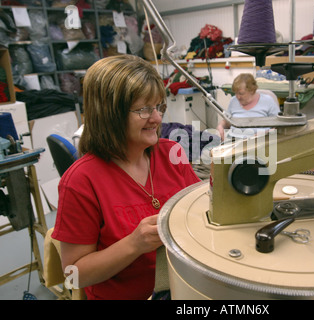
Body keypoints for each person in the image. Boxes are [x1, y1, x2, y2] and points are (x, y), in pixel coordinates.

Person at [51, 55, 201, 300]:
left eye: (159, 106)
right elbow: (74, 275)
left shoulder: (170, 153)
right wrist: (135, 244)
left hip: (183, 288)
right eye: (144, 110)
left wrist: (218, 189)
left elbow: (201, 211)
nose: (157, 118)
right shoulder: (81, 181)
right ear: (109, 114)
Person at [216, 73, 279, 140]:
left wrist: (266, 133)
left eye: (241, 93)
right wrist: (220, 126)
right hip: (234, 141)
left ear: (252, 90)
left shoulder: (267, 101)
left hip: (260, 142)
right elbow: (227, 121)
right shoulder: (233, 101)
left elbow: (279, 126)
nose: (238, 97)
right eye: (236, 93)